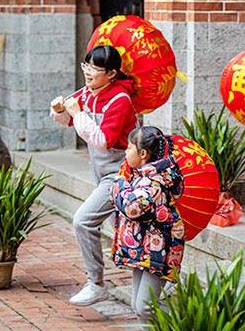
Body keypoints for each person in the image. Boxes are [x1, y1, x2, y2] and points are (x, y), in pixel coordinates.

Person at [50, 45, 137, 306]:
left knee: (83, 221)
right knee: (129, 230)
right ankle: (156, 282)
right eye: (85, 66)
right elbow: (68, 121)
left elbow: (102, 140)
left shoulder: (120, 100)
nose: (88, 72)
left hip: (121, 174)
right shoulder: (89, 93)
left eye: (95, 69)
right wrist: (60, 109)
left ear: (111, 74)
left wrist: (77, 113)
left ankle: (96, 283)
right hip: (102, 173)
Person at [111, 126, 185, 323]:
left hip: (158, 252)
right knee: (138, 306)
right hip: (144, 247)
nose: (126, 152)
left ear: (143, 154)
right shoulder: (142, 177)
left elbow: (132, 208)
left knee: (145, 306)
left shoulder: (154, 181)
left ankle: (189, 320)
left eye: (129, 148)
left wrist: (118, 185)